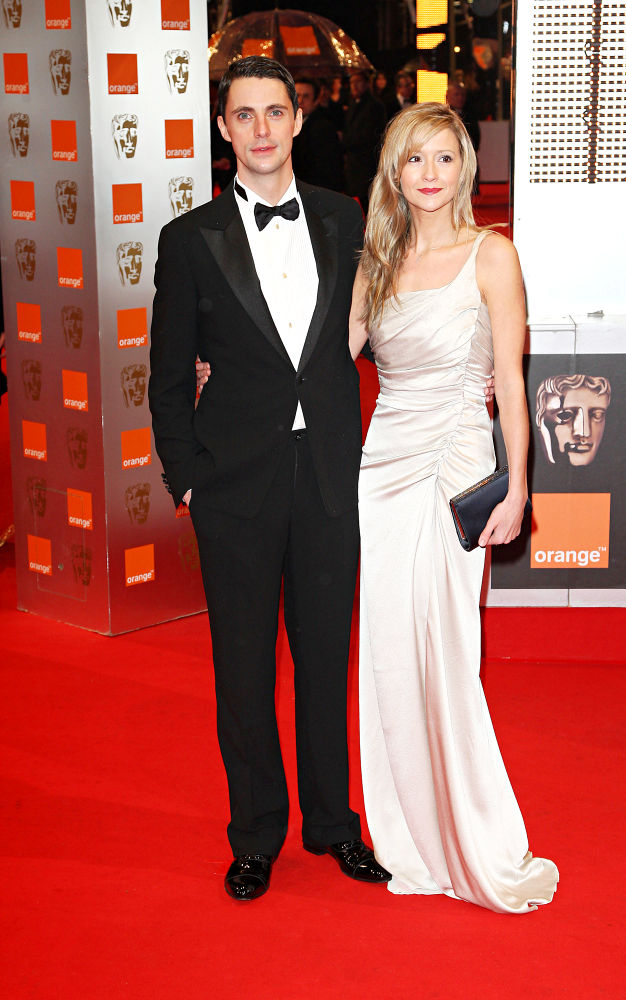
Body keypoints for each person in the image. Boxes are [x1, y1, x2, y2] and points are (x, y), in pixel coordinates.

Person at [148, 56, 390, 903]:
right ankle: (255, 833)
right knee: (242, 668)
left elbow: (381, 323)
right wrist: (187, 480)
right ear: (223, 129)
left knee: (326, 660)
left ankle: (333, 825)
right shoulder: (188, 240)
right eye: (242, 115)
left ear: (297, 119)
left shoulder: (343, 218)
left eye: (273, 112)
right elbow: (168, 375)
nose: (259, 129)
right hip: (235, 486)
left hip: (326, 472)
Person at [348, 103, 559, 912]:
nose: (429, 174)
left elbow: (511, 381)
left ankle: (471, 832)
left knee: (450, 643)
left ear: (465, 167)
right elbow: (325, 358)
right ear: (394, 174)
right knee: (389, 647)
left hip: (456, 460)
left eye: (443, 157)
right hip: (383, 468)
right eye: (413, 160)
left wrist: (519, 485)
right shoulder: (376, 260)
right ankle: (408, 834)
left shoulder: (492, 254)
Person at [342, 70, 387, 212]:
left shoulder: (374, 106)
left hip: (366, 164)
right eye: (351, 83)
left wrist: (346, 141)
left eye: (358, 82)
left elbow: (369, 136)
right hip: (354, 165)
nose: (354, 86)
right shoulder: (353, 104)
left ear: (367, 84)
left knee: (367, 205)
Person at [292, 77, 344, 191]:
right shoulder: (291, 124)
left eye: (306, 96)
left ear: (315, 101)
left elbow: (328, 171)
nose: (300, 101)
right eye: (297, 96)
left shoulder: (324, 128)